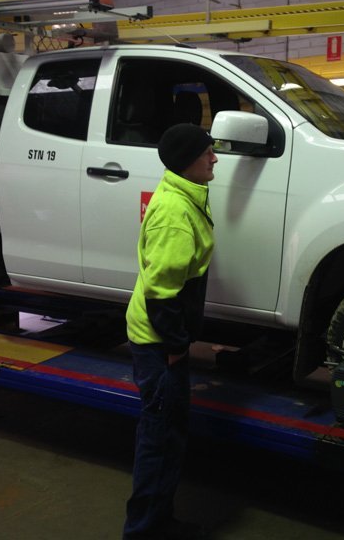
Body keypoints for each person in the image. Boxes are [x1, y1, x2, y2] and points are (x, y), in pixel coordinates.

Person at [123, 123, 218, 540]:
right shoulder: (176, 215)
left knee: (168, 436)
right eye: (208, 152)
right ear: (188, 161)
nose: (215, 158)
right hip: (159, 344)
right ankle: (143, 531)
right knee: (159, 442)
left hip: (162, 341)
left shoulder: (184, 195)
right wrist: (176, 347)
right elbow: (162, 294)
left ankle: (158, 523)